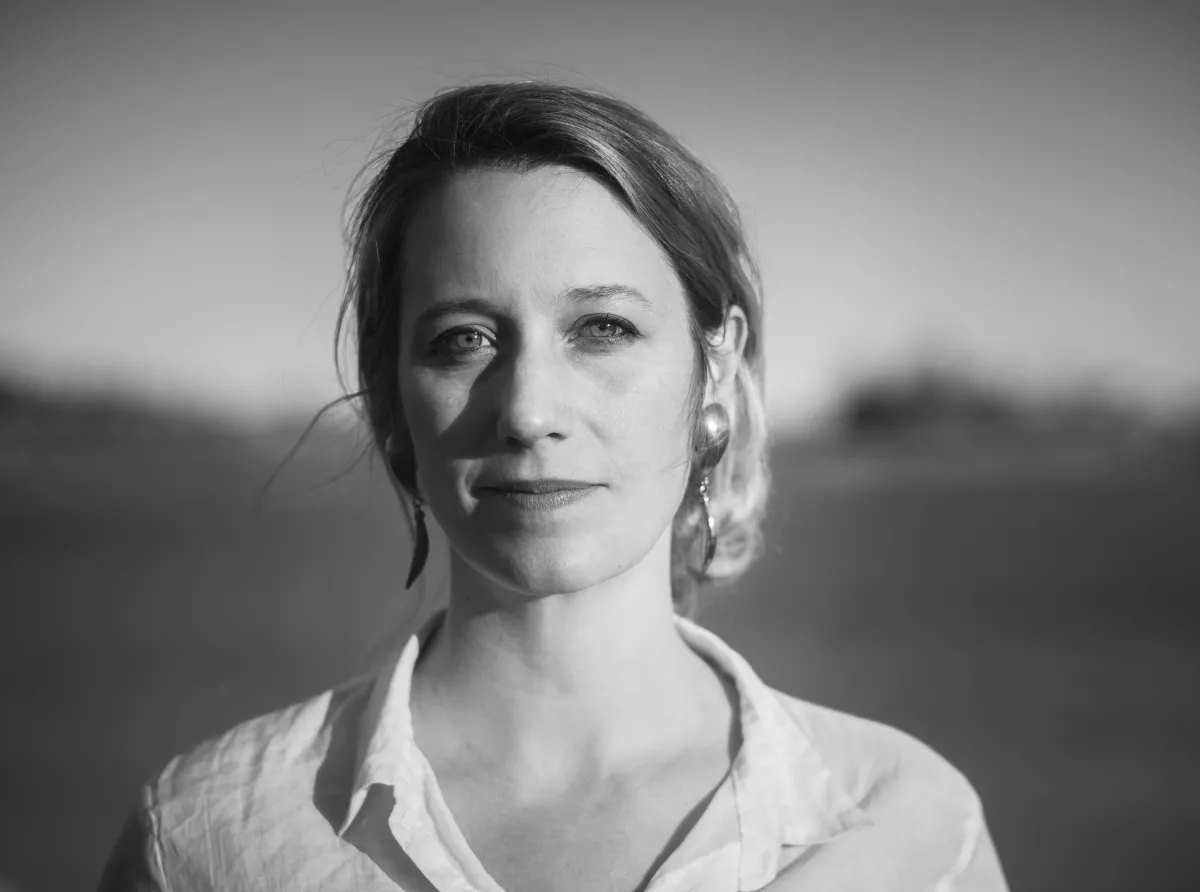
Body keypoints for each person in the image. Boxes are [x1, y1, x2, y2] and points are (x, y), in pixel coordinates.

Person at [96, 81, 1009, 891]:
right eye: (465, 339)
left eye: (603, 328)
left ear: (715, 370)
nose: (530, 411)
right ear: (389, 394)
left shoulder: (911, 830)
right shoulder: (205, 840)